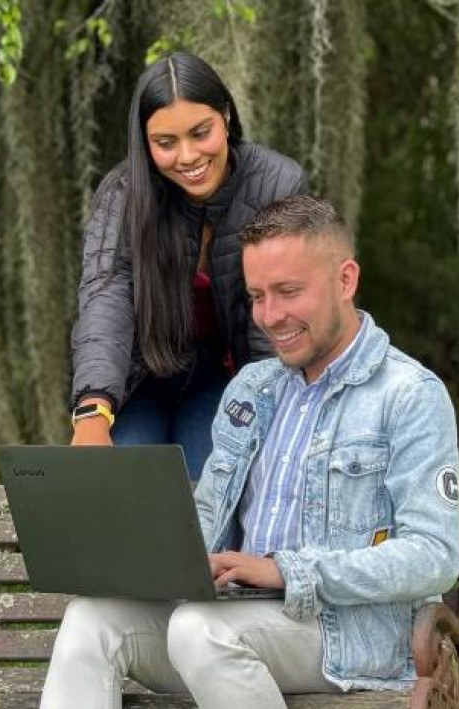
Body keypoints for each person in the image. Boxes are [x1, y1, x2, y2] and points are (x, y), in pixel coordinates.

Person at [41, 195, 459, 709]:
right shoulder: (251, 390)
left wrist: (287, 570)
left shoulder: (409, 393)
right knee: (91, 620)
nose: (270, 316)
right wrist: (150, 553)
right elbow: (210, 515)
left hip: (349, 638)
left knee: (201, 631)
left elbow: (435, 557)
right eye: (257, 296)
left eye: (289, 292)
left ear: (345, 280)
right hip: (233, 615)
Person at [70, 53, 309, 481]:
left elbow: (276, 312)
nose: (187, 156)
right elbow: (106, 297)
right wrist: (92, 408)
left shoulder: (277, 183)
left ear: (225, 116)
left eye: (201, 133)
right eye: (165, 143)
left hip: (224, 381)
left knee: (215, 496)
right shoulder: (122, 195)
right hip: (141, 381)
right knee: (117, 489)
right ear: (145, 142)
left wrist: (270, 414)